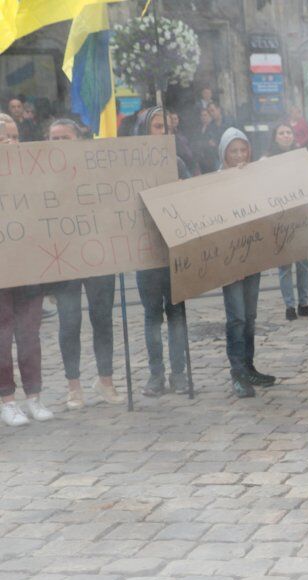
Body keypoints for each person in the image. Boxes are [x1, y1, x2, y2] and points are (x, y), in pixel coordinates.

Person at [45, 119, 124, 408]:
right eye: (53, 139)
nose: (59, 144)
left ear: (79, 140)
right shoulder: (39, 175)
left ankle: (106, 380)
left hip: (98, 254)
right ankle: (73, 387)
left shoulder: (96, 170)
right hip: (62, 260)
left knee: (102, 319)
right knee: (69, 323)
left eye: (65, 138)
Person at [134, 107, 191, 397]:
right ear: (145, 130)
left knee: (177, 314)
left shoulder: (178, 162)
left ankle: (179, 373)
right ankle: (156, 374)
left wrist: (185, 190)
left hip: (173, 252)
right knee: (152, 315)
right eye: (157, 127)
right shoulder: (132, 167)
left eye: (167, 127)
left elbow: (195, 201)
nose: (163, 133)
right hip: (146, 254)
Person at [0, 113, 53, 427]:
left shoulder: (34, 174)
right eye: (3, 138)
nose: (11, 142)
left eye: (15, 136)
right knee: (2, 334)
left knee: (30, 333)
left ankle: (34, 396)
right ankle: (7, 399)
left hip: (29, 264)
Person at [216, 128, 275, 397]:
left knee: (249, 316)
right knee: (236, 317)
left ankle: (249, 366)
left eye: (243, 150)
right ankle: (237, 373)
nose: (239, 155)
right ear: (224, 153)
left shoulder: (254, 177)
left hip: (252, 256)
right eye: (234, 150)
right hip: (230, 261)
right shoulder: (217, 182)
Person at [265, 122, 308, 321]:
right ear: (275, 137)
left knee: (303, 262)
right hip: (280, 216)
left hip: (299, 214)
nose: (286, 135)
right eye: (281, 132)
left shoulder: (301, 156)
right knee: (285, 264)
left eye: (289, 132)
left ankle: (304, 303)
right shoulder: (267, 159)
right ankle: (289, 305)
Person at [193, 105, 221, 174]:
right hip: (202, 161)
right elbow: (196, 143)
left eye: (205, 115)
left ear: (209, 116)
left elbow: (214, 142)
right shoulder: (199, 128)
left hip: (213, 159)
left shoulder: (214, 127)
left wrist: (205, 143)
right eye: (202, 115)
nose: (203, 117)